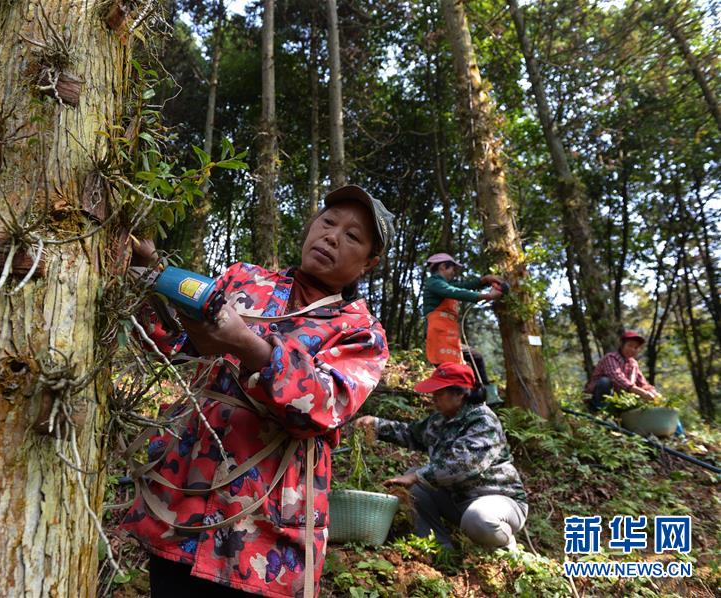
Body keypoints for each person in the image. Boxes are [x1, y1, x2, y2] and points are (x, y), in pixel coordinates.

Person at [121, 184, 395, 597]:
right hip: (182, 506)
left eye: (353, 236)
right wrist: (152, 275)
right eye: (328, 222)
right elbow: (173, 344)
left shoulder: (361, 332)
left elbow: (321, 406)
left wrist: (247, 344)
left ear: (369, 263)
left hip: (264, 535)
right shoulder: (243, 279)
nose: (332, 236)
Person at [354, 363, 528, 551]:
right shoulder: (440, 420)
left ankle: (504, 541)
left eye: (440, 392)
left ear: (460, 394)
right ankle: (439, 549)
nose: (433, 397)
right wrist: (377, 425)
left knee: (477, 518)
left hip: (499, 500)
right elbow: (411, 434)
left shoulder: (483, 421)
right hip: (458, 500)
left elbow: (463, 464)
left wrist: (417, 476)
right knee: (415, 486)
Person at [422, 253, 504, 401]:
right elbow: (455, 292)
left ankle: (486, 396)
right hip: (438, 337)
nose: (454, 272)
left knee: (475, 357)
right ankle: (456, 405)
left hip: (450, 338)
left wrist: (485, 280)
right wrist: (487, 296)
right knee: (452, 376)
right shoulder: (434, 283)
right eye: (452, 268)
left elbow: (464, 286)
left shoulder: (444, 284)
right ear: (442, 266)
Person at [585, 330, 660, 412]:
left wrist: (652, 392)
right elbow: (617, 378)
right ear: (622, 345)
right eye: (630, 345)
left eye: (636, 348)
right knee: (605, 382)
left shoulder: (633, 364)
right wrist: (641, 392)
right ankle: (599, 410)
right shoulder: (610, 358)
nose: (632, 349)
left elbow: (643, 383)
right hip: (598, 397)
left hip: (620, 400)